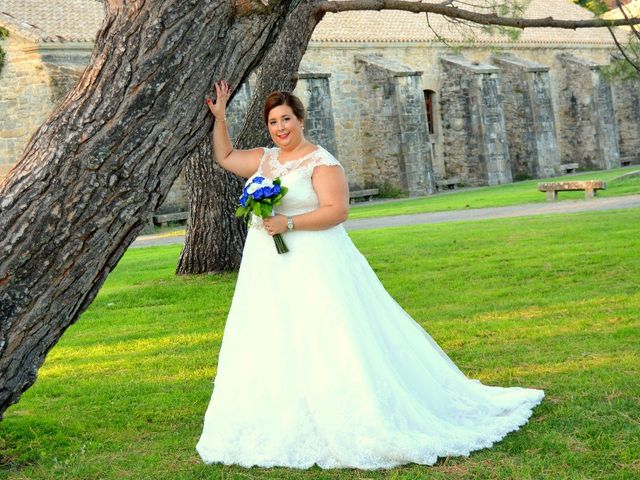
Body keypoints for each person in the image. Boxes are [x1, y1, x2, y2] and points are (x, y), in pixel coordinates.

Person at [196, 80, 544, 470]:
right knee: (275, 332)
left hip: (314, 260)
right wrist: (220, 115)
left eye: (287, 119)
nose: (281, 128)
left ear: (300, 119)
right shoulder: (265, 160)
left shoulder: (321, 162)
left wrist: (288, 222)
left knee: (327, 332)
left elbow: (336, 211)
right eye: (274, 122)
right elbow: (225, 156)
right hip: (268, 267)